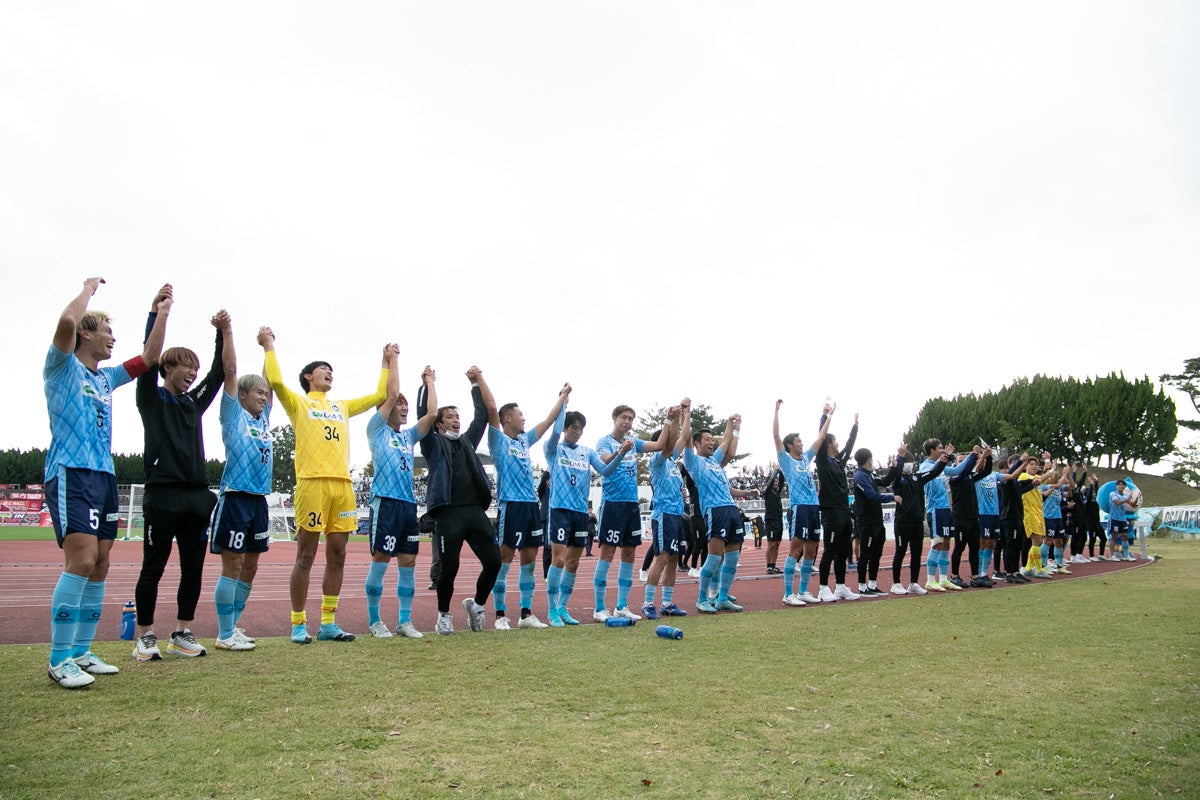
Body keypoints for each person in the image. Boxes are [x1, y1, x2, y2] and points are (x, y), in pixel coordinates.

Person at [44, 278, 170, 688]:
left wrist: (161, 313)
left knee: (100, 564)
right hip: (70, 472)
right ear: (86, 333)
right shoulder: (63, 365)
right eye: (107, 333)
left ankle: (81, 651)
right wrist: (87, 291)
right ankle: (59, 658)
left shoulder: (106, 377)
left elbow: (150, 357)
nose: (113, 340)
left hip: (104, 476)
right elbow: (66, 319)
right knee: (79, 561)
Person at [261, 329, 391, 643]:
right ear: (308, 377)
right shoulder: (299, 404)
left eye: (331, 371)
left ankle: (328, 623)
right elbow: (276, 382)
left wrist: (386, 362)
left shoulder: (342, 406)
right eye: (323, 370)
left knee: (338, 555)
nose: (329, 373)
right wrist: (269, 345)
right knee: (305, 555)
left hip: (342, 486)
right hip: (311, 484)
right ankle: (298, 623)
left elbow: (378, 396)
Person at [132, 305, 229, 660]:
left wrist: (222, 333)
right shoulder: (150, 397)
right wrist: (157, 313)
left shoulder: (193, 403)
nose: (192, 373)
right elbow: (148, 356)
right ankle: (144, 636)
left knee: (193, 567)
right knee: (153, 566)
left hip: (195, 495)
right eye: (186, 366)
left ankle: (182, 632)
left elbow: (219, 374)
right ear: (167, 368)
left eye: (195, 368)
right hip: (162, 494)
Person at [417, 366, 502, 635]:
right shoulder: (432, 444)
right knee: (449, 568)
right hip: (448, 514)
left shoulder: (466, 442)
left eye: (457, 416)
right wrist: (428, 385)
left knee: (494, 562)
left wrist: (475, 385)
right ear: (439, 424)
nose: (455, 420)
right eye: (449, 417)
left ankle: (476, 606)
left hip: (474, 511)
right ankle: (443, 615)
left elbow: (482, 416)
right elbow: (424, 416)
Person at [209, 324, 275, 652]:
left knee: (251, 565)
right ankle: (223, 634)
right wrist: (227, 332)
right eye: (258, 392)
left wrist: (268, 348)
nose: (264, 397)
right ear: (244, 395)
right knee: (232, 565)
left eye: (266, 393)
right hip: (235, 497)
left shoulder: (264, 419)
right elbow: (230, 371)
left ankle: (233, 626)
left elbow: (272, 381)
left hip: (258, 501)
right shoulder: (233, 414)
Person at [487, 381, 572, 630]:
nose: (524, 418)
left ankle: (525, 614)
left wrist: (563, 398)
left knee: (530, 560)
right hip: (511, 506)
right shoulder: (498, 441)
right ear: (507, 418)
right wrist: (480, 380)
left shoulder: (525, 440)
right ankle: (500, 615)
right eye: (520, 414)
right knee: (504, 558)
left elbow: (548, 421)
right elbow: (491, 410)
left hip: (530, 507)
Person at [364, 360, 436, 639]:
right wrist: (391, 360)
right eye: (400, 404)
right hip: (385, 503)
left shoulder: (408, 436)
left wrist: (429, 382)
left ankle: (405, 621)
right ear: (385, 408)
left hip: (407, 507)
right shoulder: (376, 430)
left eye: (407, 405)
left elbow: (431, 414)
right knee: (381, 560)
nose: (404, 408)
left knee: (408, 564)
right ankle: (374, 621)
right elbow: (391, 393)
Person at [542, 407, 627, 626]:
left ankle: (562, 607)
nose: (578, 432)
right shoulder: (553, 449)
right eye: (574, 427)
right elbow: (552, 433)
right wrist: (562, 404)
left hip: (580, 513)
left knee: (573, 563)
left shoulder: (587, 452)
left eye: (581, 429)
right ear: (565, 428)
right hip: (559, 510)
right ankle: (552, 610)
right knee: (558, 559)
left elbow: (606, 471)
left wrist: (619, 453)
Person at [592, 404, 674, 622]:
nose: (627, 422)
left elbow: (659, 444)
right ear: (614, 418)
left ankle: (622, 605)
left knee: (629, 554)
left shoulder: (634, 441)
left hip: (631, 504)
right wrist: (622, 451)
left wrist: (668, 420)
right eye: (624, 418)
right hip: (612, 504)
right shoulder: (604, 442)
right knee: (607, 553)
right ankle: (599, 607)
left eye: (630, 419)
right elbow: (604, 464)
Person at [680, 401, 747, 613]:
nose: (711, 443)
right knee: (714, 557)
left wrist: (732, 424)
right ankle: (702, 598)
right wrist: (686, 413)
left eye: (712, 439)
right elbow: (686, 436)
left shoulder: (715, 461)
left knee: (733, 557)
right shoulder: (692, 461)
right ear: (697, 444)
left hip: (731, 509)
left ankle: (723, 598)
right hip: (715, 511)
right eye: (707, 440)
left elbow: (727, 441)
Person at [773, 400, 833, 606]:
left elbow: (821, 438)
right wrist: (776, 411)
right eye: (798, 441)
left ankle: (803, 591)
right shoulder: (786, 460)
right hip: (799, 508)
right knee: (796, 549)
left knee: (812, 550)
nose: (801, 443)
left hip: (813, 507)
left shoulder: (806, 459)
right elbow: (775, 436)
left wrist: (828, 416)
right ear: (790, 445)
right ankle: (788, 594)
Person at [640, 409, 688, 619]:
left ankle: (667, 602)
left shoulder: (673, 463)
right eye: (670, 438)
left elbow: (684, 437)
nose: (674, 442)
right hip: (663, 514)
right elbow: (671, 442)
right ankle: (648, 602)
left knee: (674, 559)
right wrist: (674, 418)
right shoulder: (656, 461)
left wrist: (687, 413)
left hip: (677, 515)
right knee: (661, 558)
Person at [814, 405, 859, 602]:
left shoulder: (838, 462)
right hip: (830, 511)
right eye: (836, 441)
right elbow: (821, 439)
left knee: (843, 551)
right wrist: (825, 416)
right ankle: (823, 588)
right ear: (830, 444)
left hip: (843, 511)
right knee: (830, 551)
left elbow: (849, 447)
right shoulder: (822, 460)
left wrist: (855, 428)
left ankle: (840, 586)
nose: (838, 444)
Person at [918, 439, 977, 592]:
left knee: (946, 544)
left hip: (946, 509)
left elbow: (957, 470)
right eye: (940, 448)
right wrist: (945, 459)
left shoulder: (942, 466)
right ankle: (930, 580)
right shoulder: (925, 466)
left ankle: (944, 579)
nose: (942, 450)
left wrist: (972, 456)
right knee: (937, 543)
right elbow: (934, 472)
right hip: (935, 510)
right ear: (932, 450)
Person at [888, 443, 947, 595]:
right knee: (900, 552)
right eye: (907, 461)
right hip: (902, 521)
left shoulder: (917, 478)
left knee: (916, 553)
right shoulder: (897, 479)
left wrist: (944, 458)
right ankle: (896, 583)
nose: (910, 464)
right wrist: (900, 458)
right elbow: (894, 475)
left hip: (916, 521)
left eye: (910, 461)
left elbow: (934, 472)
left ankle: (914, 583)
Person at [851, 448, 900, 595]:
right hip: (867, 522)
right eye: (871, 458)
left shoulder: (868, 475)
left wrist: (892, 468)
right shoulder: (860, 476)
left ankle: (872, 584)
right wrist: (891, 497)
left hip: (877, 521)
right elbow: (872, 495)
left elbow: (884, 481)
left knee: (876, 553)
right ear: (868, 460)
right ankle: (861, 586)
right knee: (865, 554)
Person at [947, 445, 992, 588]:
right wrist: (975, 456)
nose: (964, 462)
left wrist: (987, 456)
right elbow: (966, 469)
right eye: (961, 460)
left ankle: (975, 576)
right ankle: (954, 575)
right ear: (956, 464)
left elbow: (987, 471)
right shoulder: (955, 477)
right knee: (959, 547)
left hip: (973, 517)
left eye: (965, 459)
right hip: (960, 517)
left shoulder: (970, 477)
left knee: (975, 547)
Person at [759, 470, 784, 573]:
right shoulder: (767, 492)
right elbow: (769, 484)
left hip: (779, 520)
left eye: (776, 482)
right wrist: (775, 471)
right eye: (774, 482)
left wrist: (781, 471)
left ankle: (773, 565)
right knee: (771, 544)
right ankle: (769, 566)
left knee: (777, 544)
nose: (776, 483)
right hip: (771, 521)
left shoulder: (777, 492)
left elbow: (782, 482)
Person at [1108, 479, 1136, 561]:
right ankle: (1112, 556)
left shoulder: (1125, 496)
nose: (1121, 486)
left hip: (1123, 519)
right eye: (1119, 485)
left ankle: (1126, 555)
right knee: (1114, 536)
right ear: (1116, 486)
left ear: (1125, 487)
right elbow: (1117, 502)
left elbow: (1132, 505)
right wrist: (1127, 499)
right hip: (1114, 519)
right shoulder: (1113, 494)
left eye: (1123, 485)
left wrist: (1135, 497)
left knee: (1125, 536)